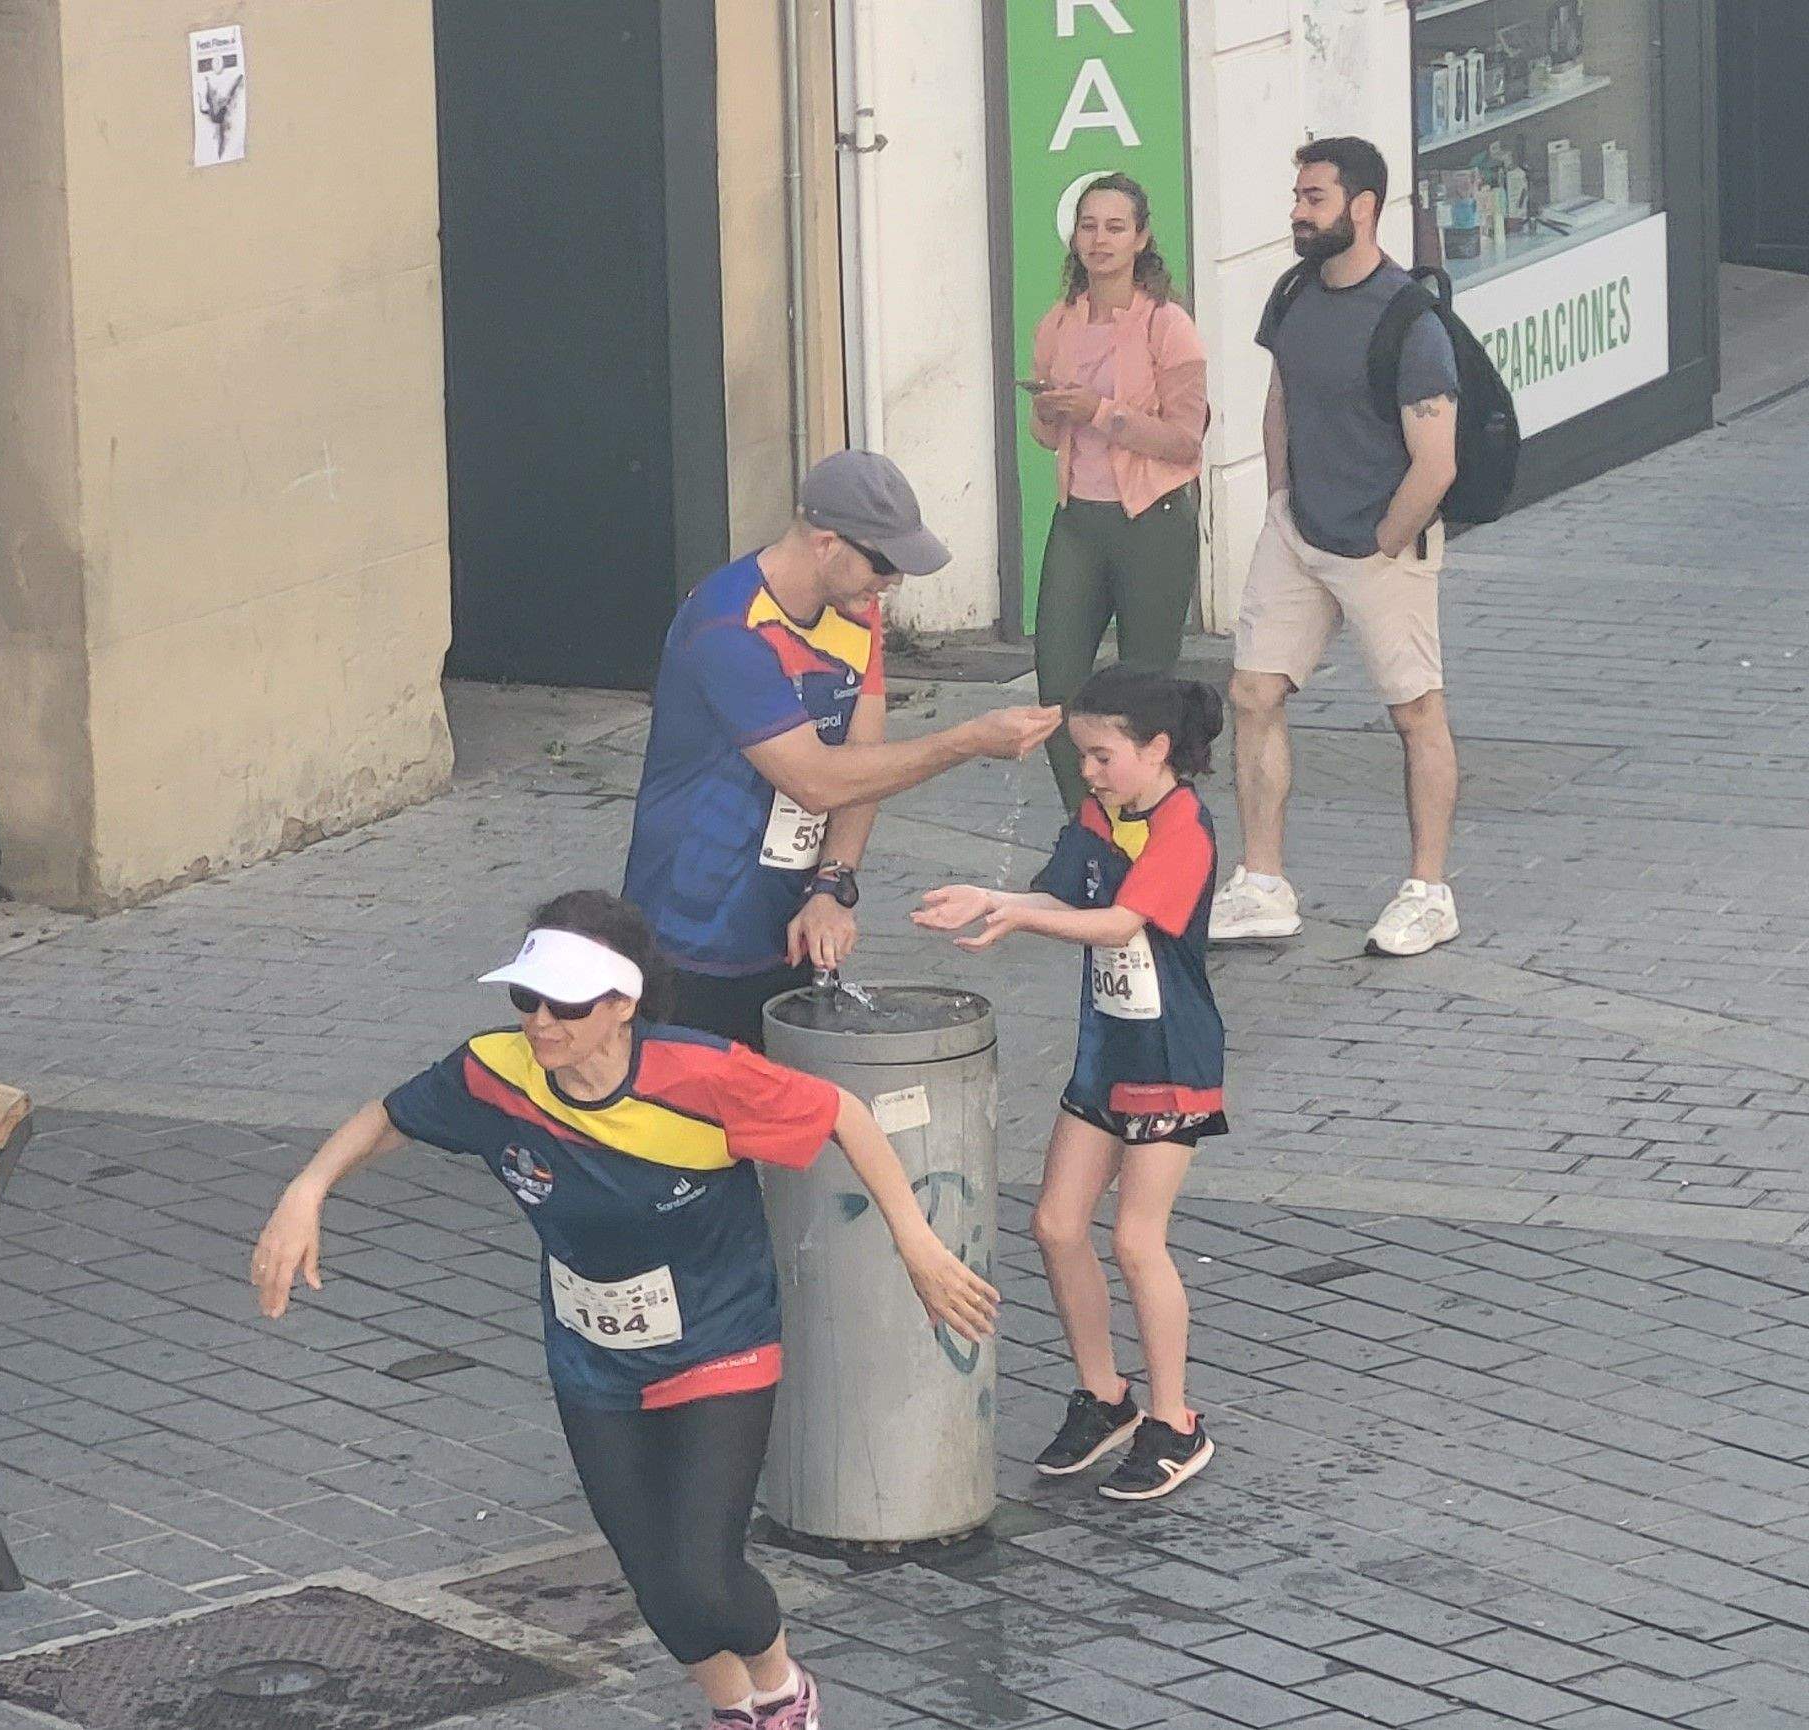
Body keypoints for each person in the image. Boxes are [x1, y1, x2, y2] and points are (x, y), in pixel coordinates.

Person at [252, 890, 998, 1730]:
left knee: (703, 1574)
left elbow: (844, 1115)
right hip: (593, 1360)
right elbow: (391, 1116)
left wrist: (917, 1245)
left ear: (621, 1006)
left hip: (721, 1341)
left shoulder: (701, 1073)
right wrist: (305, 1190)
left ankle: (780, 1686)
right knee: (653, 1580)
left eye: (564, 1004)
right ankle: (734, 1713)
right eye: (524, 998)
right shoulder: (494, 1074)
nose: (539, 1022)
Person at [624, 450, 1063, 1049]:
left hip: (790, 917)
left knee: (782, 1118)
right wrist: (965, 741)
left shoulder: (856, 611)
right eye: (883, 563)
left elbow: (864, 759)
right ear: (827, 543)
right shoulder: (730, 627)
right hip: (693, 924)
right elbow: (819, 782)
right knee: (691, 1128)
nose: (892, 581)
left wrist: (833, 884)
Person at [913, 668, 1226, 1501]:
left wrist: (1016, 918)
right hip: (1106, 1050)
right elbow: (1056, 895)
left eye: (1101, 755)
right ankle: (1103, 1395)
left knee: (1134, 1239)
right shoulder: (1103, 814)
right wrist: (990, 897)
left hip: (1170, 1059)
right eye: (1081, 755)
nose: (1087, 773)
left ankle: (1175, 1422)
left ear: (1157, 750)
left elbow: (1119, 923)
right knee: (1055, 1225)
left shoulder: (1184, 829)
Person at [1212, 135, 1464, 957]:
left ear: (1361, 208)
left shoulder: (1409, 321)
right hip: (1298, 533)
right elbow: (1280, 394)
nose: (1295, 211)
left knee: (1414, 712)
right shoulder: (1292, 294)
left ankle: (1428, 892)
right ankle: (1262, 882)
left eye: (1312, 197)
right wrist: (1280, 499)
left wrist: (1384, 539)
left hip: (1382, 547)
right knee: (1252, 694)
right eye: (1296, 195)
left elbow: (1437, 462)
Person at [1025, 172, 1212, 815]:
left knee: (1146, 692)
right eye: (1088, 226)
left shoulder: (1168, 325)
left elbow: (1186, 441)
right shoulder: (1058, 323)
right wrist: (1050, 410)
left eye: (1114, 227)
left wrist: (1100, 413)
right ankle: (1089, 826)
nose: (1099, 240)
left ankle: (1147, 823)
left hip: (1153, 521)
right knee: (1058, 689)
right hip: (1079, 518)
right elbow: (1046, 438)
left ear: (1141, 238)